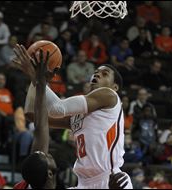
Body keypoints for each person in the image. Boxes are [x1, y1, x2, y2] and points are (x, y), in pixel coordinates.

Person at [13, 44, 133, 189]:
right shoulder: (78, 116)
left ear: (115, 87)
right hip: (82, 183)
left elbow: (58, 108)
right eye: (95, 72)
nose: (97, 74)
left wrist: (36, 77)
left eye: (105, 73)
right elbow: (34, 115)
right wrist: (36, 79)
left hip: (110, 180)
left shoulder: (109, 95)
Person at [14, 49, 57, 189]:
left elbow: (40, 126)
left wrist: (38, 81)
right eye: (45, 156)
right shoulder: (23, 184)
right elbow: (41, 127)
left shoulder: (29, 181)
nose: (47, 153)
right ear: (49, 174)